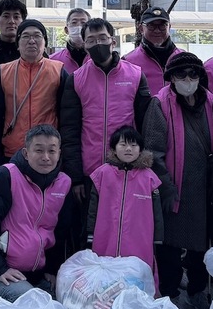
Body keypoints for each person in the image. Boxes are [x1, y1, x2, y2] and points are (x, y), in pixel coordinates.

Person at [143, 52, 213, 309]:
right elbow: (153, 150)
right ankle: (170, 292)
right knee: (170, 245)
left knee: (201, 243)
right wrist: (165, 185)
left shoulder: (212, 102)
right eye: (181, 74)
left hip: (203, 185)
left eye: (193, 74)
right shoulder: (159, 104)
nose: (187, 79)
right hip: (174, 185)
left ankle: (198, 289)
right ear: (171, 78)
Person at [0, 125, 78, 305]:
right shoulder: (6, 176)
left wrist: (51, 269)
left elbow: (60, 231)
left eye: (52, 151)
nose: (46, 157)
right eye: (39, 150)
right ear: (26, 153)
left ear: (59, 153)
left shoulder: (63, 184)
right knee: (32, 303)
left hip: (35, 275)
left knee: (70, 303)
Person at [60, 17, 152, 204]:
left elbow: (146, 124)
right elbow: (69, 130)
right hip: (89, 170)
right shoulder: (76, 79)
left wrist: (143, 163)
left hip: (126, 166)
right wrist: (75, 177)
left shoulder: (135, 74)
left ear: (113, 41)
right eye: (91, 40)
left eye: (102, 38)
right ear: (85, 45)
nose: (97, 44)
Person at [86, 126, 163, 291]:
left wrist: (158, 237)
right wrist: (91, 232)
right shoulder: (102, 174)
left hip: (139, 238)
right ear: (114, 148)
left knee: (138, 273)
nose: (128, 149)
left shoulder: (149, 177)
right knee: (105, 274)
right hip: (106, 236)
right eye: (123, 144)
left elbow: (157, 211)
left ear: (140, 150)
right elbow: (93, 207)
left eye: (134, 145)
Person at [0, 19, 68, 171]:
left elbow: (67, 119)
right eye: (25, 36)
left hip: (47, 155)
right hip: (12, 153)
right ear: (17, 44)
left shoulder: (59, 72)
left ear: (45, 42)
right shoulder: (3, 73)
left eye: (37, 36)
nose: (31, 41)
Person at [124, 6, 183, 96]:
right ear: (141, 28)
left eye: (162, 25)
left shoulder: (184, 58)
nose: (157, 30)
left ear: (169, 27)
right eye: (151, 26)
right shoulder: (128, 62)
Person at [49, 7, 90, 74]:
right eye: (74, 22)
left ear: (90, 29)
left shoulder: (98, 59)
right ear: (66, 30)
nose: (79, 26)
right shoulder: (53, 60)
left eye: (83, 23)